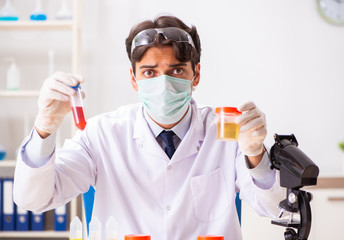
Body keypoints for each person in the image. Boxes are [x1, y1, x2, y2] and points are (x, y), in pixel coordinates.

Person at [14, 15, 284, 240]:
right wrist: (44, 130)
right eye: (150, 72)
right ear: (133, 78)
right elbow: (33, 200)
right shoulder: (101, 134)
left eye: (177, 70)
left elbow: (276, 209)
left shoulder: (227, 132)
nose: (164, 83)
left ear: (196, 74)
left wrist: (256, 154)